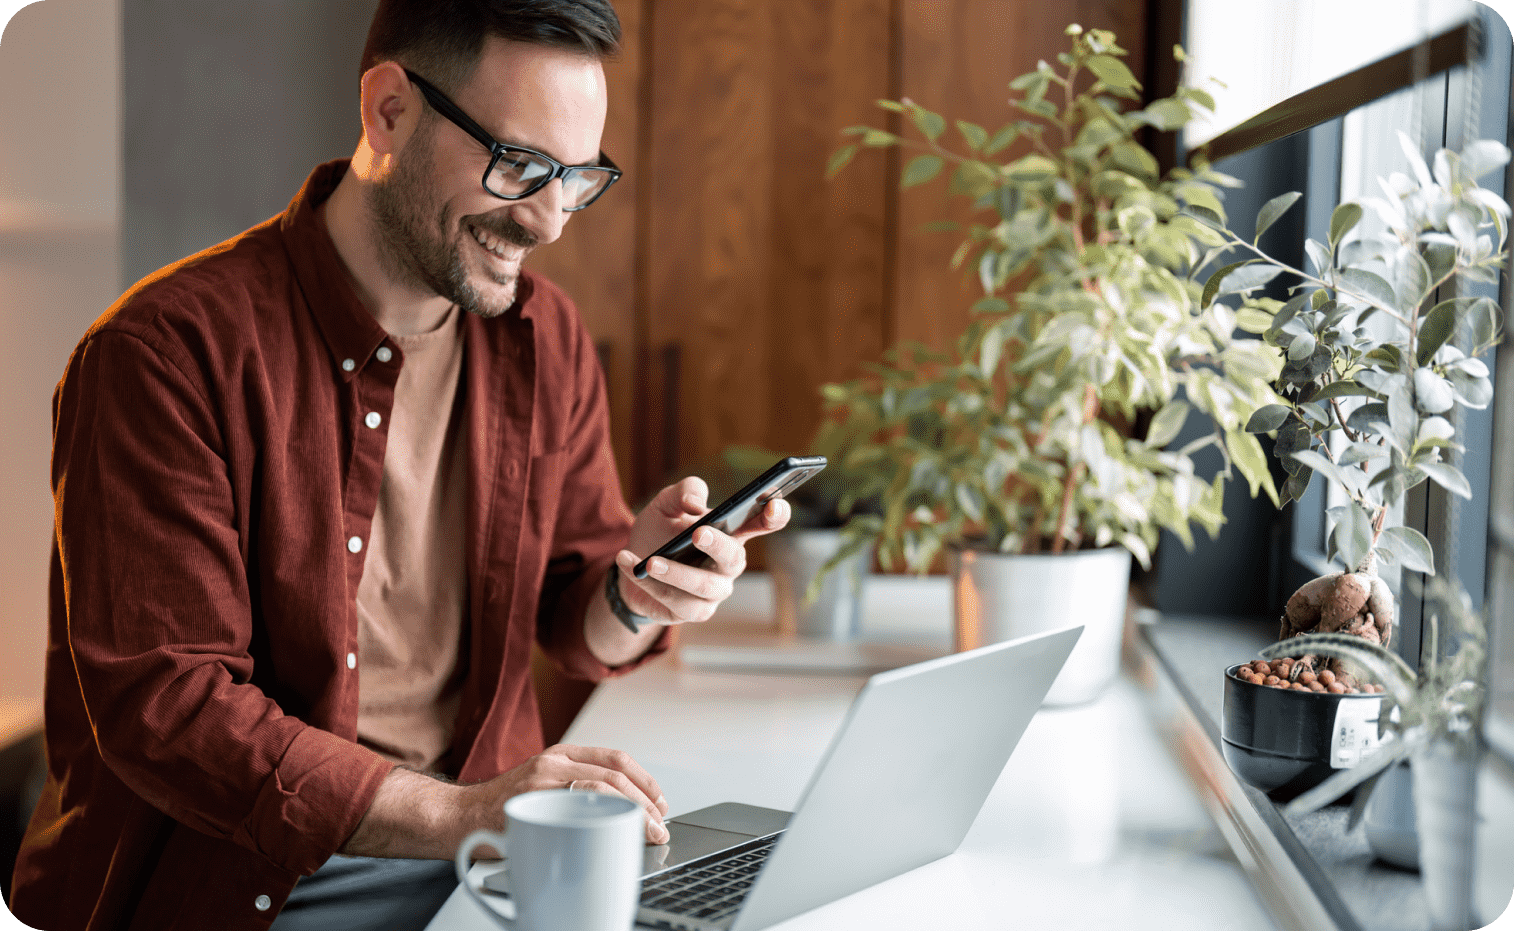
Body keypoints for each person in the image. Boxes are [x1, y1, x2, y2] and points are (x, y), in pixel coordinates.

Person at [7, 2, 789, 929]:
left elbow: (575, 617)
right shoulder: (163, 354)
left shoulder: (548, 340)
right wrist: (468, 812)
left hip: (477, 862)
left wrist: (640, 589)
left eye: (579, 178)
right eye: (521, 167)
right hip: (254, 888)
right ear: (389, 111)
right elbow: (171, 710)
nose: (549, 220)